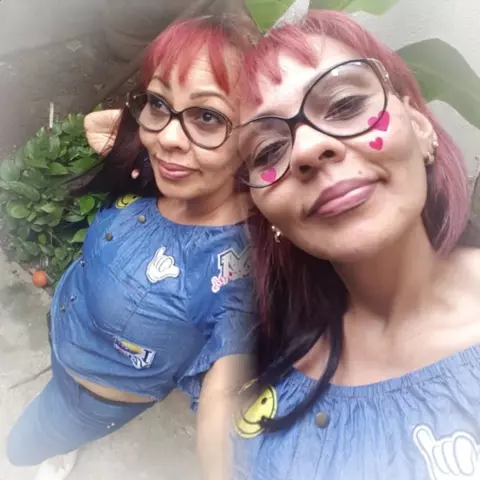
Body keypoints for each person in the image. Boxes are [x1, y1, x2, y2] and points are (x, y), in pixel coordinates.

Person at [6, 13, 257, 480]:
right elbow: (99, 124)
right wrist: (138, 133)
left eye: (208, 116)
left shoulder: (234, 279)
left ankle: (54, 446)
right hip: (66, 335)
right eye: (159, 103)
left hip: (91, 400)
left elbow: (223, 398)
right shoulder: (165, 167)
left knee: (19, 448)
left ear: (259, 135)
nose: (167, 138)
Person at [232, 8, 480, 480]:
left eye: (345, 105)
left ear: (420, 125)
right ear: (266, 214)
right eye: (268, 150)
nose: (307, 148)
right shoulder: (268, 352)